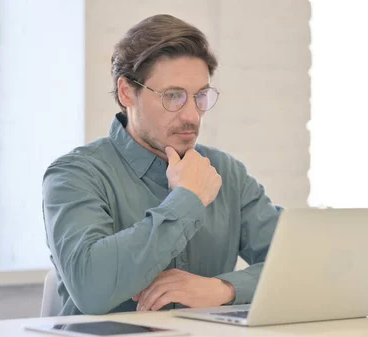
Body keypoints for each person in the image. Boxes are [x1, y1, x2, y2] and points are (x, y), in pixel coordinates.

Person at [42, 14, 282, 316]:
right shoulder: (74, 175)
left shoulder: (225, 172)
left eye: (200, 97)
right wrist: (188, 200)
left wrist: (223, 289)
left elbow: (297, 265)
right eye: (173, 96)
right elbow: (92, 289)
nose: (192, 116)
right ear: (127, 92)